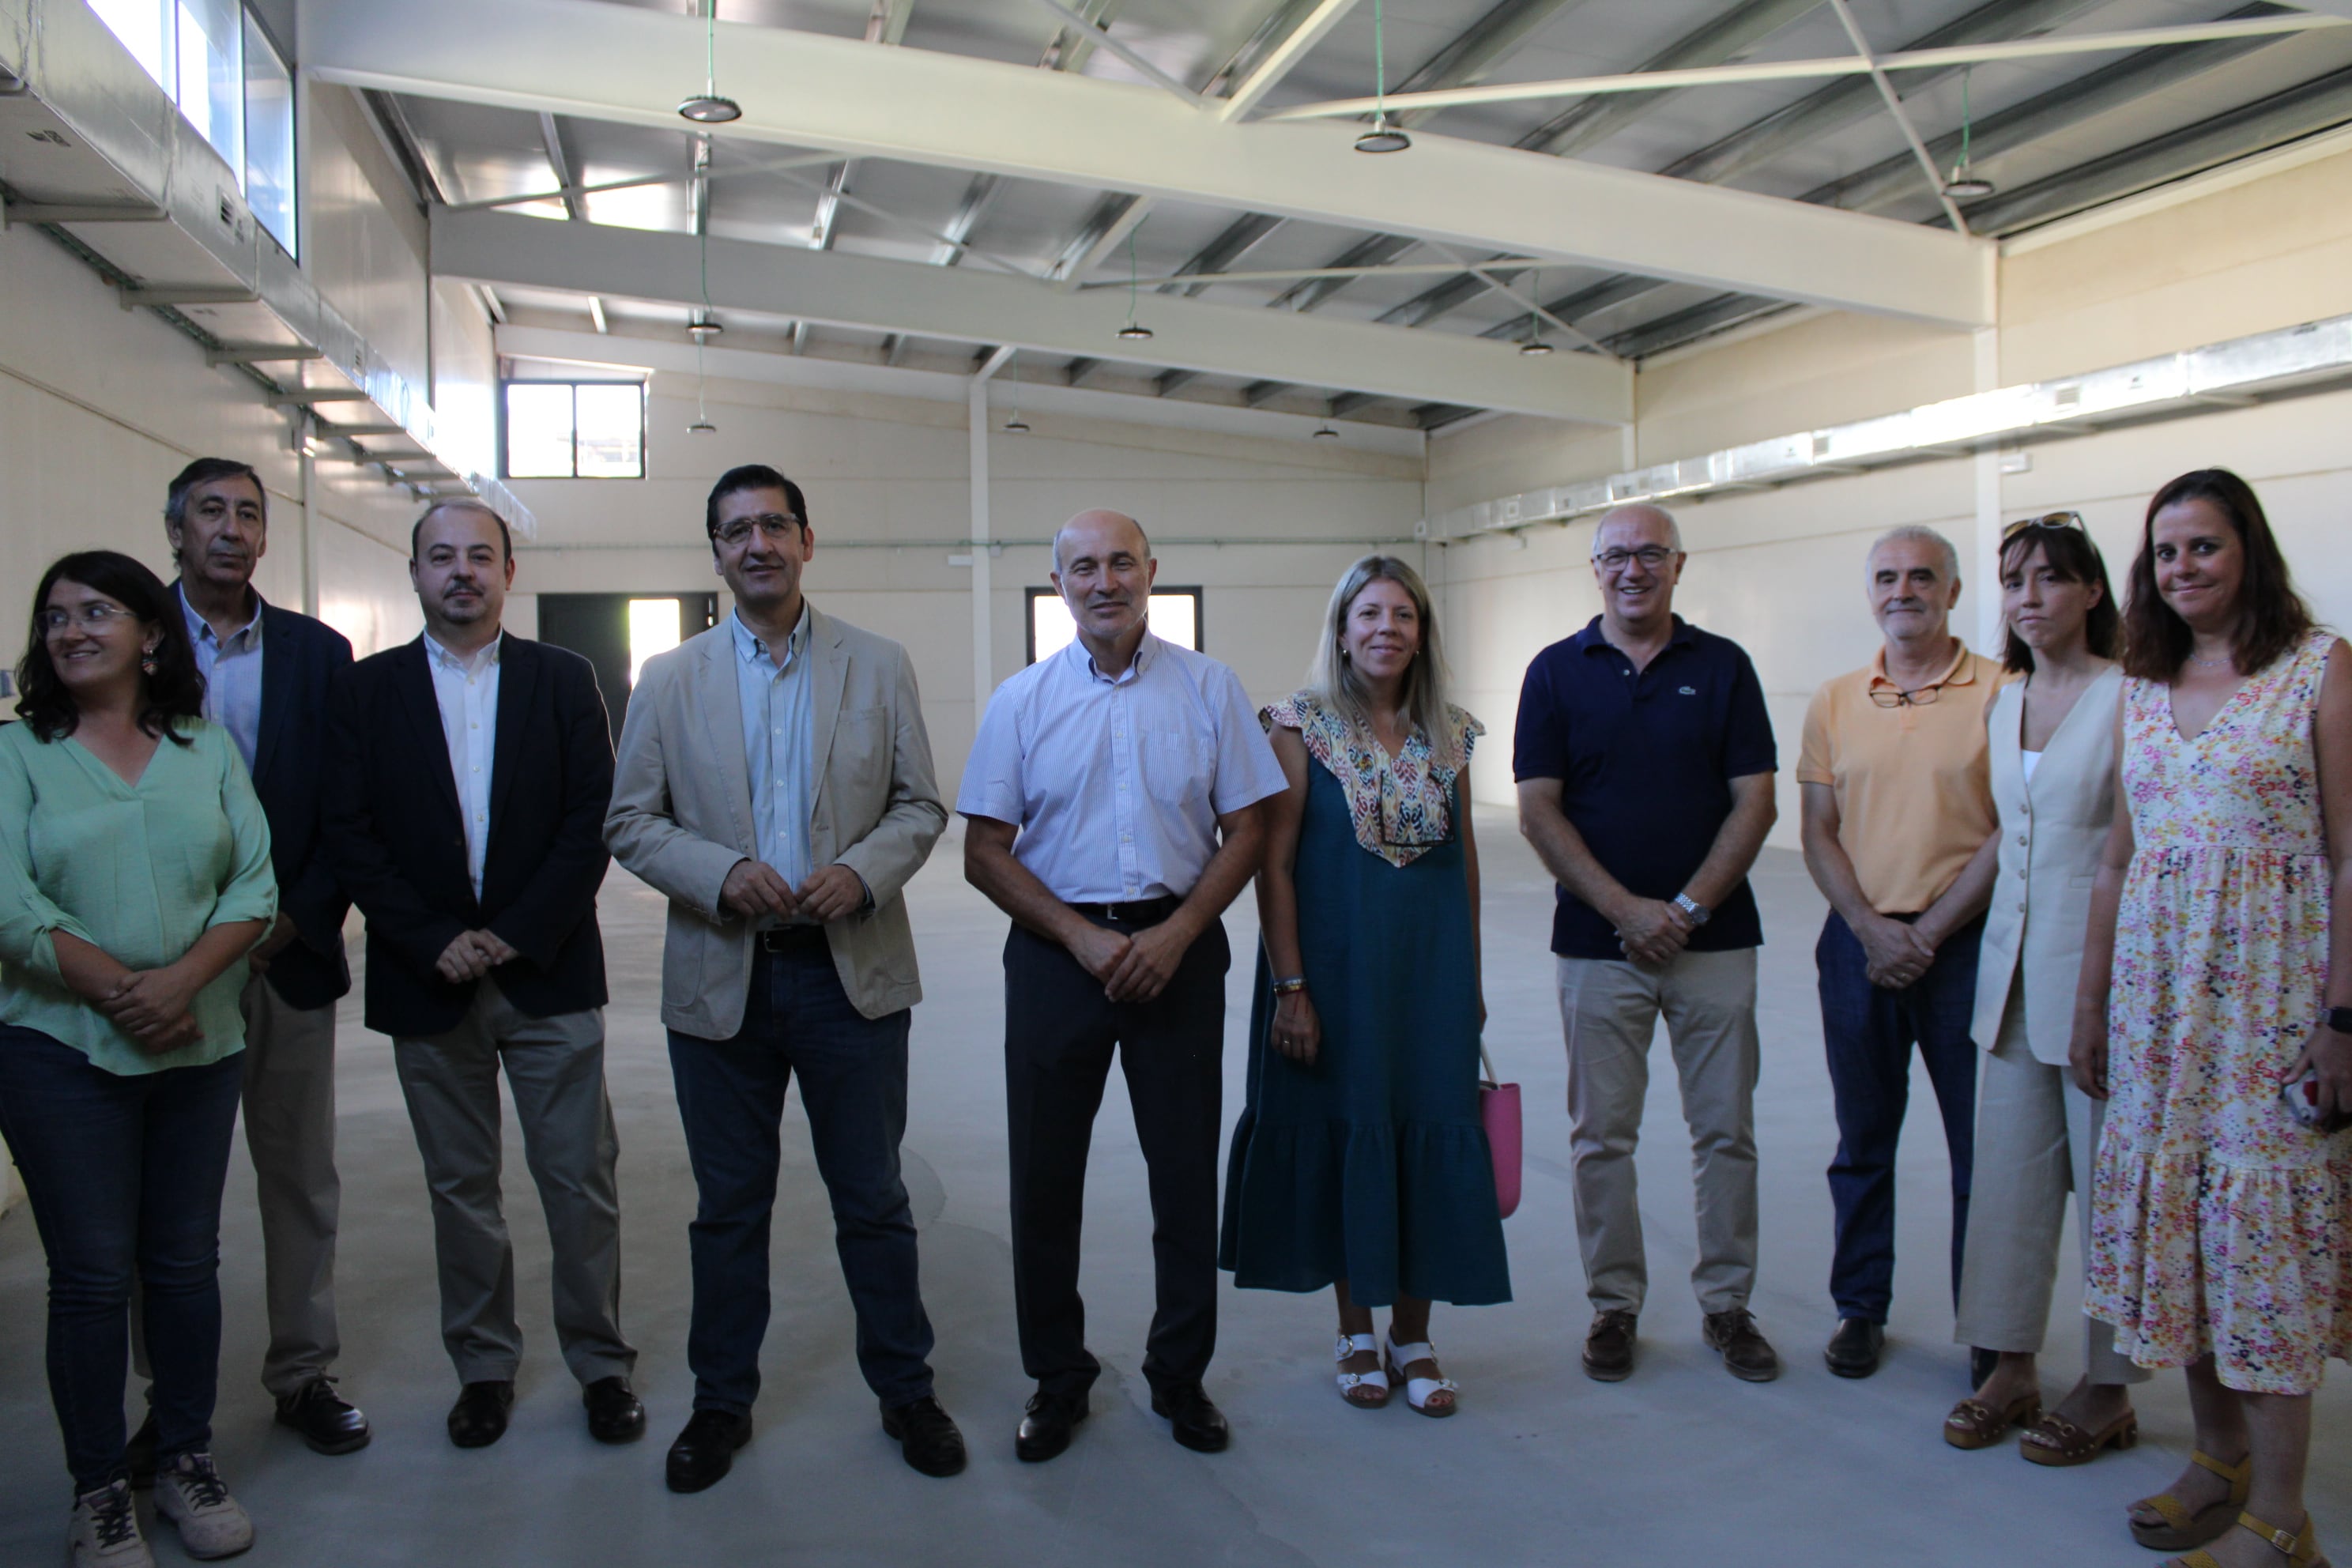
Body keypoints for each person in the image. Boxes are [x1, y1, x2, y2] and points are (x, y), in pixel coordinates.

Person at [605, 466, 963, 1492]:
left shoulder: (878, 665)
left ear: (808, 540)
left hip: (850, 979)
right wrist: (719, 875)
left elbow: (918, 807)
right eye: (735, 531)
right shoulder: (669, 680)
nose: (756, 544)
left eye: (774, 525)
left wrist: (865, 872)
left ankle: (906, 1390)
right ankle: (721, 1405)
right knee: (728, 1208)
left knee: (874, 1199)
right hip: (725, 982)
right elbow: (630, 821)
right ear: (714, 552)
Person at [960, 509, 1286, 1462]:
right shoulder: (1020, 701)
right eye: (1083, 567)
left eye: (1120, 563)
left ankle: (1179, 1378)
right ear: (1058, 584)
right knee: (1044, 1179)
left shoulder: (1209, 688)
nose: (1104, 581)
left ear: (1151, 571)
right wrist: (1081, 938)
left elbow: (1251, 828)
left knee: (1184, 1177)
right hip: (1059, 961)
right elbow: (985, 851)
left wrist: (1182, 930)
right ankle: (1058, 1378)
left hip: (1178, 956)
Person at [2073, 469, 2350, 1568]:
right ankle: (2217, 1459)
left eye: (2205, 547)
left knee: (2266, 1243)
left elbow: (2350, 855)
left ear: (2250, 551)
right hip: (2157, 1012)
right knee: (2182, 1226)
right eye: (2167, 552)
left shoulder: (2321, 670)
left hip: (2274, 1011)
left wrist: (2344, 1020)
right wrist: (2091, 1005)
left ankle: (2284, 1517)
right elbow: (2115, 859)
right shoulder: (2143, 683)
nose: (2183, 569)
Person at [322, 498, 641, 1451]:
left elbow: (593, 818)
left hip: (546, 970)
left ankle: (601, 1365)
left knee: (579, 1179)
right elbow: (350, 830)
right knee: (460, 1187)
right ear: (413, 572)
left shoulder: (562, 678)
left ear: (510, 572)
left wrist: (510, 933)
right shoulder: (367, 691)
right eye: (440, 557)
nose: (461, 571)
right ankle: (485, 1368)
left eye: (480, 556)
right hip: (429, 980)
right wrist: (430, 938)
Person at [0, 551, 274, 1567]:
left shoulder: (203, 748)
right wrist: (121, 990)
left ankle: (187, 1456)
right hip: (58, 1049)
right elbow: (8, 902)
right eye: (56, 615)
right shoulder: (18, 752)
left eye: (97, 611)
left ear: (150, 633)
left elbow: (254, 881)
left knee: (182, 1262)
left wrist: (179, 985)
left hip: (197, 1042)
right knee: (87, 1274)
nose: (72, 630)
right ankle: (99, 1488)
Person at [1221, 555, 1508, 1416]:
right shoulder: (1297, 726)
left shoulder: (1451, 734)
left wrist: (1473, 985)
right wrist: (1292, 987)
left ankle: (1413, 1335)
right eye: (1369, 614)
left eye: (1404, 616)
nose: (1387, 629)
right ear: (1342, 631)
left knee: (1429, 1130)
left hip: (1431, 981)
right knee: (1354, 1134)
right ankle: (1355, 1330)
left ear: (1423, 633)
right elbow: (1272, 867)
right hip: (1336, 977)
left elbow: (1464, 869)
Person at [1514, 503, 1782, 1385]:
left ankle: (1728, 1304)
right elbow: (1539, 809)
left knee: (1726, 1134)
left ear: (1678, 565)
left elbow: (1756, 801)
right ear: (1595, 569)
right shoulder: (1555, 672)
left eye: (1651, 555)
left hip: (1715, 943)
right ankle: (1613, 1306)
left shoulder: (1724, 667)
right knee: (1600, 1138)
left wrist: (1689, 908)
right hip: (1597, 947)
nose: (1634, 569)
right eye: (1617, 555)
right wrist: (1627, 909)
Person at [145, 458, 368, 1463]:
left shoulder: (320, 655)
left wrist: (296, 918)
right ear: (175, 530)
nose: (230, 530)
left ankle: (302, 1370)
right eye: (210, 513)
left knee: (298, 1174)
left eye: (248, 514)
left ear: (266, 537)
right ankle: (168, 1394)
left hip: (284, 955)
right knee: (166, 1189)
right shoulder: (124, 638)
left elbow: (343, 807)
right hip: (165, 965)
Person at [1943, 514, 2147, 1459]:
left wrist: (2104, 993)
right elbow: (2008, 841)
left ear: (2093, 592)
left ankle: (2109, 1386)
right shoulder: (2006, 699)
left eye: (2051, 579)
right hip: (2010, 980)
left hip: (2100, 981)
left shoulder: (2133, 698)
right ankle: (2012, 1362)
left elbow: (2130, 854)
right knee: (2011, 1186)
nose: (2029, 598)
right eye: (2014, 580)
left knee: (2111, 1187)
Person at [1798, 525, 2002, 1379]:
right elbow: (1817, 829)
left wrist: (1931, 930)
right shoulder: (1837, 700)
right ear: (1870, 592)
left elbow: (2009, 832)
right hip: (1858, 945)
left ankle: (1991, 1323)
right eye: (1887, 577)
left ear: (1954, 591)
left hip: (1967, 948)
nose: (1904, 589)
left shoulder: (2006, 691)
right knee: (1863, 1142)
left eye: (1924, 576)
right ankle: (1859, 1309)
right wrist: (1873, 928)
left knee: (1981, 1151)